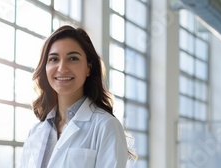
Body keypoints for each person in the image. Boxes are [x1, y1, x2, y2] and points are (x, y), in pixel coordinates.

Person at [20, 25, 137, 168]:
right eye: (54, 59)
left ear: (89, 67)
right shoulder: (35, 132)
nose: (62, 68)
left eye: (73, 58)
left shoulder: (106, 126)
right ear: (45, 68)